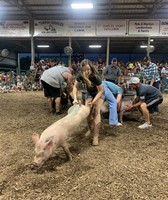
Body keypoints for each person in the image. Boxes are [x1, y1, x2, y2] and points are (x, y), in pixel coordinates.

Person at [73, 59, 104, 146]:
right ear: (82, 69)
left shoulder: (95, 77)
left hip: (99, 94)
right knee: (88, 112)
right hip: (89, 93)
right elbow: (75, 87)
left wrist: (94, 102)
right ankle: (91, 130)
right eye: (85, 69)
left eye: (88, 69)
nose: (87, 71)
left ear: (91, 68)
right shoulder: (80, 75)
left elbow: (101, 91)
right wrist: (75, 98)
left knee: (96, 112)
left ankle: (95, 136)